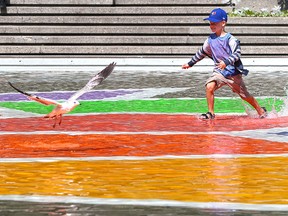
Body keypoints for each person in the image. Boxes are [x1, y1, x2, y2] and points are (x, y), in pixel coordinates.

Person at [182, 8, 267, 119]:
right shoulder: (209, 40)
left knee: (245, 96)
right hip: (219, 72)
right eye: (210, 23)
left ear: (223, 23)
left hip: (233, 74)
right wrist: (190, 63)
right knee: (209, 86)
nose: (212, 25)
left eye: (214, 23)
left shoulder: (230, 39)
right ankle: (211, 113)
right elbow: (201, 53)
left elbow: (237, 54)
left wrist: (226, 62)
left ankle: (260, 111)